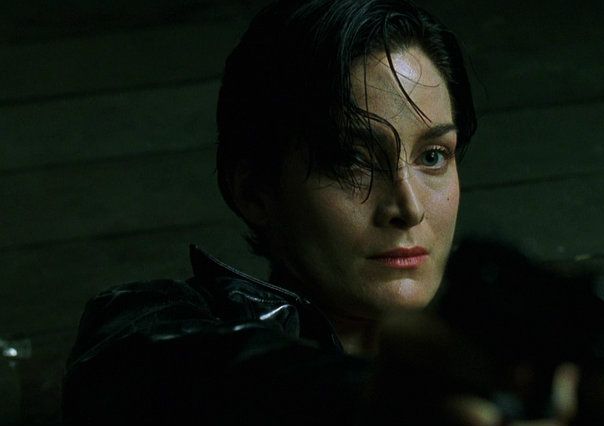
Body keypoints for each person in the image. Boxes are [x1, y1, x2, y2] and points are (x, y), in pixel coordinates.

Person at [62, 0, 482, 424]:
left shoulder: (491, 356)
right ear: (254, 191)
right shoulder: (150, 330)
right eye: (352, 160)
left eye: (432, 155)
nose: (409, 208)